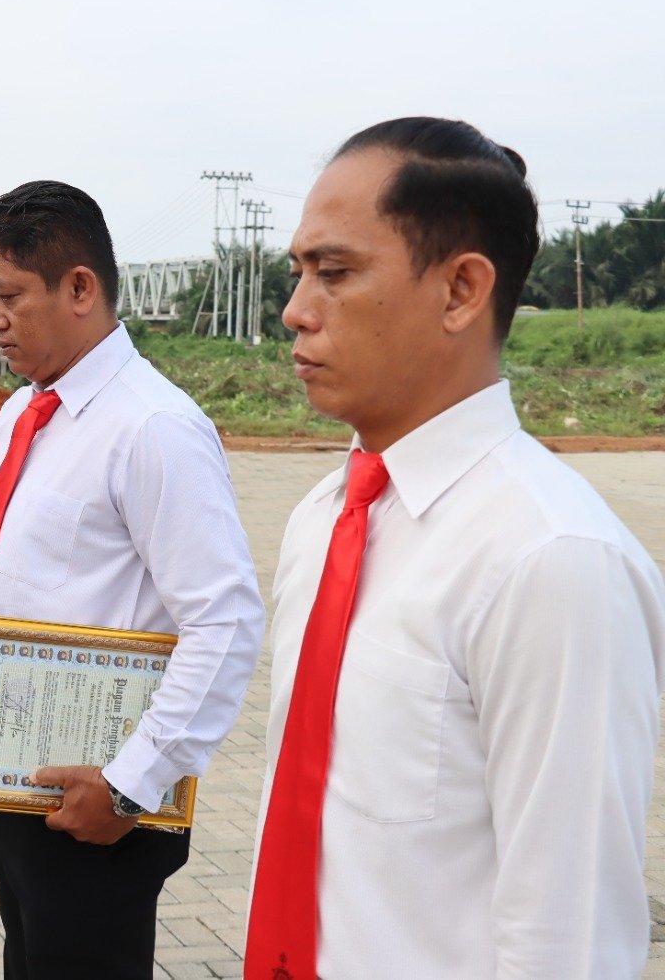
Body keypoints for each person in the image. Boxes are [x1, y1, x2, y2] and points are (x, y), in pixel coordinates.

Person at [244, 118, 665, 980]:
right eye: (298, 273)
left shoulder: (552, 561)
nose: (295, 310)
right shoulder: (325, 517)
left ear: (461, 290)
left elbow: (569, 942)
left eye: (335, 273)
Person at [0, 181, 267, 979]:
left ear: (79, 288)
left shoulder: (153, 428)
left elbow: (226, 621)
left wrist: (132, 784)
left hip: (96, 796)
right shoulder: (24, 413)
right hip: (17, 778)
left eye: (9, 296)